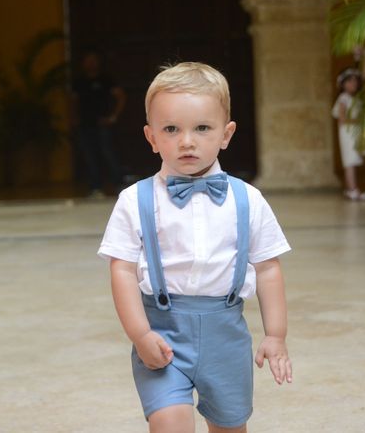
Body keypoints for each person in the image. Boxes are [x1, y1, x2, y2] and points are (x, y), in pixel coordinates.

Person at [98, 62, 292, 432]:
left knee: (230, 427)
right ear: (151, 137)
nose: (187, 140)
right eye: (171, 129)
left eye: (202, 128)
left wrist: (275, 334)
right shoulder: (134, 201)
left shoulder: (247, 199)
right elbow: (121, 270)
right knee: (170, 424)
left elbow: (268, 268)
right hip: (162, 331)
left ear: (226, 134)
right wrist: (140, 334)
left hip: (226, 334)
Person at [70, 51, 126, 197]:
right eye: (88, 60)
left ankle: (119, 184)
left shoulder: (106, 79)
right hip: (84, 124)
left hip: (103, 124)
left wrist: (113, 116)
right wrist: (74, 118)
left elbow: (120, 96)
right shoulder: (79, 82)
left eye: (93, 59)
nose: (91, 63)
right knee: (89, 156)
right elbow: (73, 101)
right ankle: (95, 187)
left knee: (108, 153)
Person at [332, 68, 365, 201]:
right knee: (349, 160)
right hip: (347, 132)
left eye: (355, 82)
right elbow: (342, 119)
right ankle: (352, 189)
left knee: (354, 159)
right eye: (350, 82)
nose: (353, 84)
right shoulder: (343, 98)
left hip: (356, 132)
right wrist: (358, 121)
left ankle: (354, 187)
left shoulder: (357, 98)